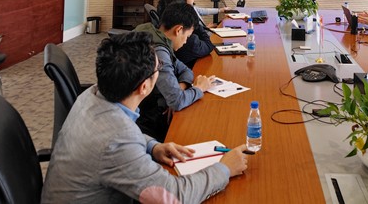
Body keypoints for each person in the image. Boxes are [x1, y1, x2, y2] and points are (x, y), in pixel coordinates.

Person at [41, 31, 248, 204]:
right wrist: (224, 168)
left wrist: (152, 146)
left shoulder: (92, 94)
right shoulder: (117, 140)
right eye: (159, 69)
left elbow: (116, 136)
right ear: (144, 87)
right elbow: (175, 197)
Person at [135, 2, 215, 140]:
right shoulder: (160, 52)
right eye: (187, 37)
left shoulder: (155, 35)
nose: (185, 42)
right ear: (178, 30)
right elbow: (176, 101)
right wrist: (199, 88)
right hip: (146, 119)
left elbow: (185, 70)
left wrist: (180, 87)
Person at [172, 0, 217, 68]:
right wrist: (202, 27)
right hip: (195, 50)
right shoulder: (186, 13)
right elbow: (208, 45)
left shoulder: (175, 8)